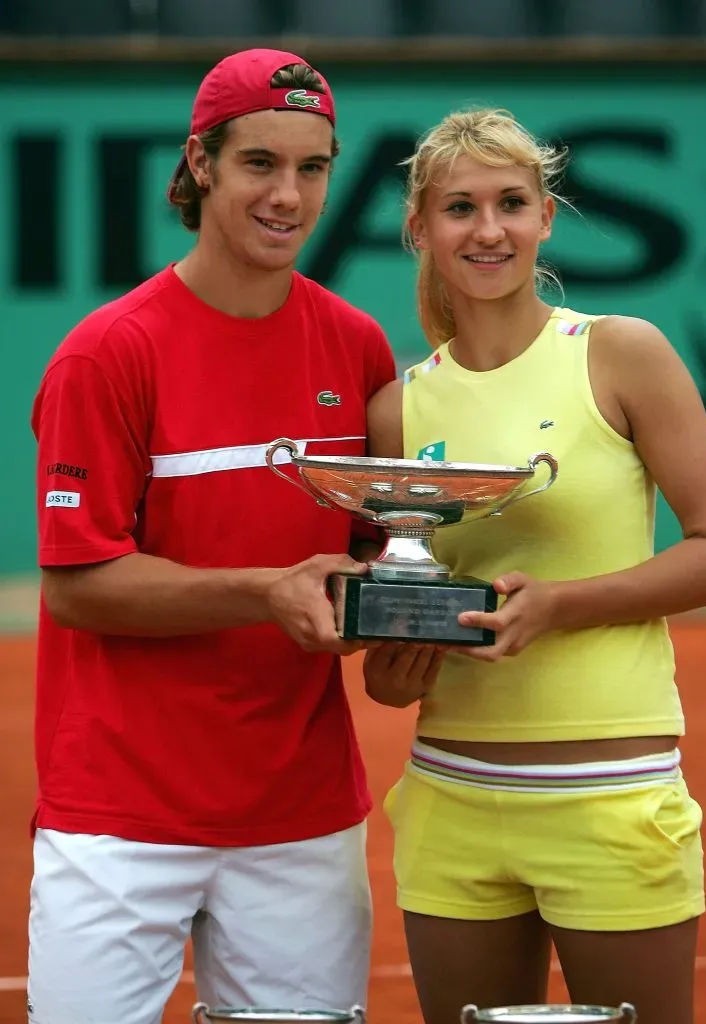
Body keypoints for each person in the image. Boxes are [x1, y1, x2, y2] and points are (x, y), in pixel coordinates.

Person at [28, 48, 400, 1024]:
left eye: (312, 168)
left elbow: (376, 551)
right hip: (119, 814)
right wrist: (267, 590)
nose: (289, 194)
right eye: (259, 164)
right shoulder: (108, 353)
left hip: (300, 813)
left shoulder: (356, 344)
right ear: (200, 163)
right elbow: (77, 585)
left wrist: (408, 591)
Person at [364, 108, 706, 1024]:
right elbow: (403, 611)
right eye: (459, 207)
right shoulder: (397, 410)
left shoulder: (621, 354)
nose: (488, 228)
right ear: (419, 228)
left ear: (546, 216)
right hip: (450, 795)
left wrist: (559, 606)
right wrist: (390, 670)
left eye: (511, 202)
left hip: (607, 798)